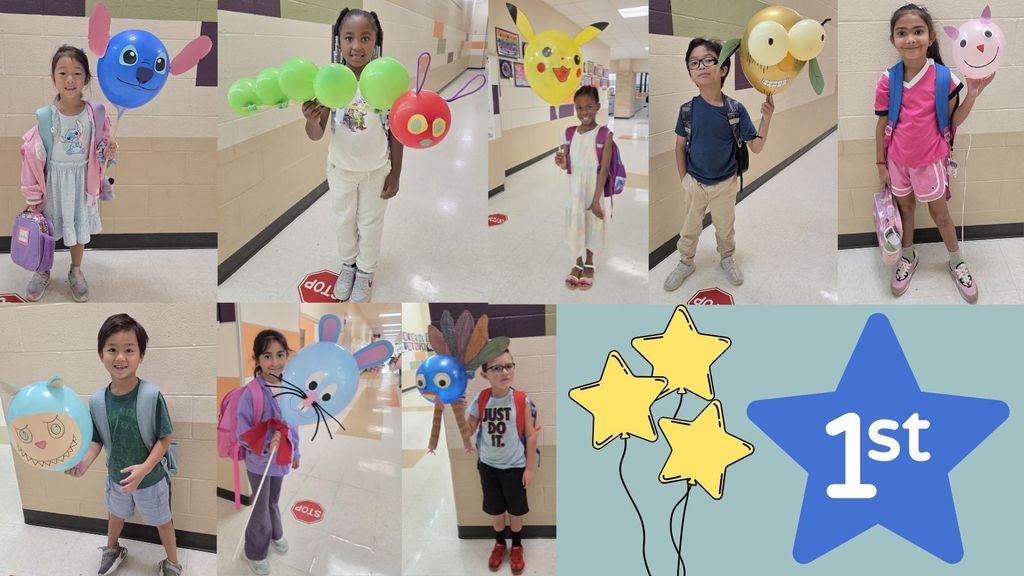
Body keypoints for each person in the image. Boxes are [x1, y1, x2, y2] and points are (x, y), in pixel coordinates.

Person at [876, 3, 993, 302]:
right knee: (906, 211)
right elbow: (881, 125)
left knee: (941, 215)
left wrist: (973, 94)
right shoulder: (888, 79)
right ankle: (908, 256)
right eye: (902, 33)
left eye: (918, 31)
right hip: (897, 162)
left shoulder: (945, 78)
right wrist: (880, 163)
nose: (910, 39)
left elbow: (952, 122)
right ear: (893, 40)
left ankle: (957, 261)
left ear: (930, 37)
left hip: (931, 162)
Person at [301, 8, 404, 303]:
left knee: (371, 224)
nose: (356, 46)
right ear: (338, 43)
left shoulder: (385, 82)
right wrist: (310, 118)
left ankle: (366, 272)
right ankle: (348, 265)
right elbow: (316, 133)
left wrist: (395, 173)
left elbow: (396, 131)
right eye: (349, 38)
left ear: (376, 43)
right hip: (341, 169)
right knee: (344, 221)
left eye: (365, 38)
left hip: (376, 171)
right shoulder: (329, 82)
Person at [64, 314, 178, 575]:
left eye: (129, 350)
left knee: (163, 521)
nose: (120, 358)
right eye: (112, 349)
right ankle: (113, 549)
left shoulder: (151, 395)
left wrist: (144, 469)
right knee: (115, 515)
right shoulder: (97, 401)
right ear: (101, 353)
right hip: (116, 477)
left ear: (141, 355)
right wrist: (84, 464)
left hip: (150, 480)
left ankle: (172, 562)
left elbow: (165, 439)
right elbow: (97, 439)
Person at [664, 38, 773, 291]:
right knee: (689, 229)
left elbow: (755, 146)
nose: (701, 65)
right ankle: (685, 261)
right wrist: (685, 181)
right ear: (691, 73)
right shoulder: (686, 110)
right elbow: (679, 147)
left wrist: (767, 119)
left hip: (725, 184)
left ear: (723, 68)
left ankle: (726, 257)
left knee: (725, 227)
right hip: (695, 183)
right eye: (694, 62)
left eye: (709, 59)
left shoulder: (735, 109)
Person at [21, 45, 117, 302]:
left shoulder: (95, 113)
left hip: (81, 184)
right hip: (52, 183)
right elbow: (32, 159)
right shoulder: (45, 116)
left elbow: (100, 151)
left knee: (78, 226)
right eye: (62, 73)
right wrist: (32, 197)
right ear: (53, 78)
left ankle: (75, 270)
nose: (70, 79)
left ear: (86, 78)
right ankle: (42, 269)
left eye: (77, 72)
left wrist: (106, 152)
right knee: (47, 230)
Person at [463, 350, 537, 575]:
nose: (505, 371)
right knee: (495, 510)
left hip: (515, 467)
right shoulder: (482, 399)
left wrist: (530, 467)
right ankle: (498, 544)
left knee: (515, 511)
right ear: (484, 374)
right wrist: (457, 410)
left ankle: (516, 546)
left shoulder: (520, 399)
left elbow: (531, 435)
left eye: (509, 366)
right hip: (488, 467)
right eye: (496, 368)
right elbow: (468, 431)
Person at [236, 330, 301, 576]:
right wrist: (265, 443)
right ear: (258, 360)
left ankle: (276, 532)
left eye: (280, 354)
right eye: (267, 356)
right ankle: (254, 551)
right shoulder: (251, 392)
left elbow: (293, 423)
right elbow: (243, 431)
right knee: (260, 507)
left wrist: (296, 452)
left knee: (273, 500)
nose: (275, 362)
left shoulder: (290, 387)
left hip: (282, 458)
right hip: (259, 462)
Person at [555, 85, 613, 290]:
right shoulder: (569, 133)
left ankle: (589, 262)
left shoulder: (605, 134)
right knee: (576, 223)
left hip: (593, 190)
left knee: (592, 224)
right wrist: (560, 161)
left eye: (589, 106)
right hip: (574, 191)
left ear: (598, 106)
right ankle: (577, 261)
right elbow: (566, 166)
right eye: (579, 107)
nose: (584, 112)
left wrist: (596, 200)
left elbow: (604, 169)